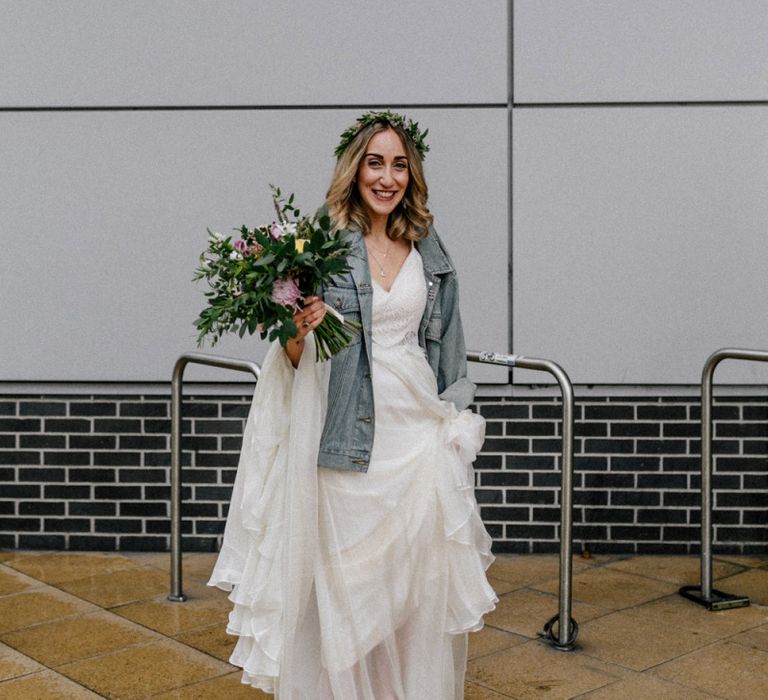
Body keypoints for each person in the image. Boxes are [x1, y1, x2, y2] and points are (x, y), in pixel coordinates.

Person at [208, 111, 497, 699]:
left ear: (411, 174)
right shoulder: (320, 242)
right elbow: (291, 354)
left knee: (415, 588)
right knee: (342, 591)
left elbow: (449, 348)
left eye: (398, 164)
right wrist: (298, 326)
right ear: (355, 168)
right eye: (375, 162)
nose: (387, 178)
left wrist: (457, 418)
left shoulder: (428, 244)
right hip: (344, 435)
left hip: (415, 436)